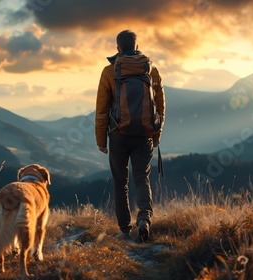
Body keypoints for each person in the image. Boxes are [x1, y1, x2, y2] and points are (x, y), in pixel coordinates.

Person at [95, 30, 165, 243]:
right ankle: (144, 218)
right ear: (136, 47)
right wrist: (156, 134)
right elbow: (160, 105)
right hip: (144, 134)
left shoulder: (109, 71)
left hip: (118, 135)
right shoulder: (150, 69)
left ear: (117, 49)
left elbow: (102, 109)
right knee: (142, 178)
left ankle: (125, 230)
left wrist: (101, 140)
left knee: (120, 183)